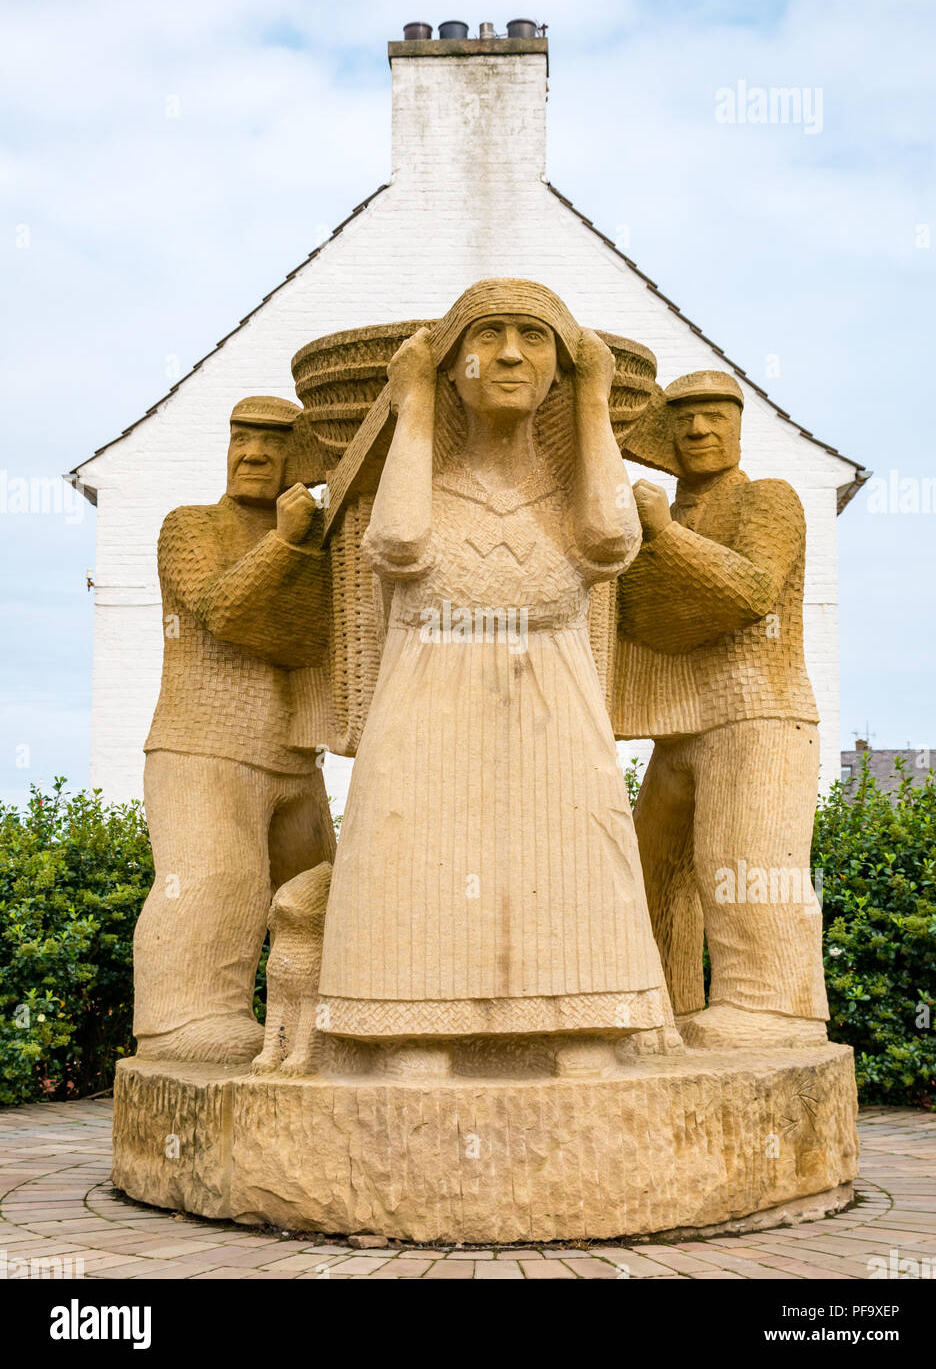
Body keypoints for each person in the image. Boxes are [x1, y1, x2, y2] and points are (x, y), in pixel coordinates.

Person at [314, 279, 677, 1077]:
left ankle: (584, 1019)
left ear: (561, 366)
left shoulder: (572, 484)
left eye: (535, 337)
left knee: (574, 849)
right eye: (486, 335)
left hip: (554, 701)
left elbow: (612, 541)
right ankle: (411, 1027)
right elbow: (401, 545)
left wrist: (594, 399)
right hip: (426, 700)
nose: (510, 352)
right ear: (450, 367)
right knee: (418, 851)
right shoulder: (422, 477)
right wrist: (410, 403)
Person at [618, 371, 829, 1048]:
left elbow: (750, 589)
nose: (698, 431)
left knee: (744, 857)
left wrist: (660, 537)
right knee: (648, 869)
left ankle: (775, 1007)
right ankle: (665, 1001)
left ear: (737, 426)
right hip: (682, 722)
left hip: (759, 710)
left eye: (713, 417)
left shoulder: (767, 499)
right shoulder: (664, 518)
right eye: (681, 422)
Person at [133, 396, 335, 1064]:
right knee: (216, 878)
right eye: (241, 440)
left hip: (294, 756)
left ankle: (314, 1024)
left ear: (298, 460)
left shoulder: (314, 542)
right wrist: (285, 541)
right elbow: (224, 609)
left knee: (322, 894)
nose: (252, 455)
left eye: (274, 446)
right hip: (203, 747)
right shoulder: (188, 527)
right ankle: (181, 1019)